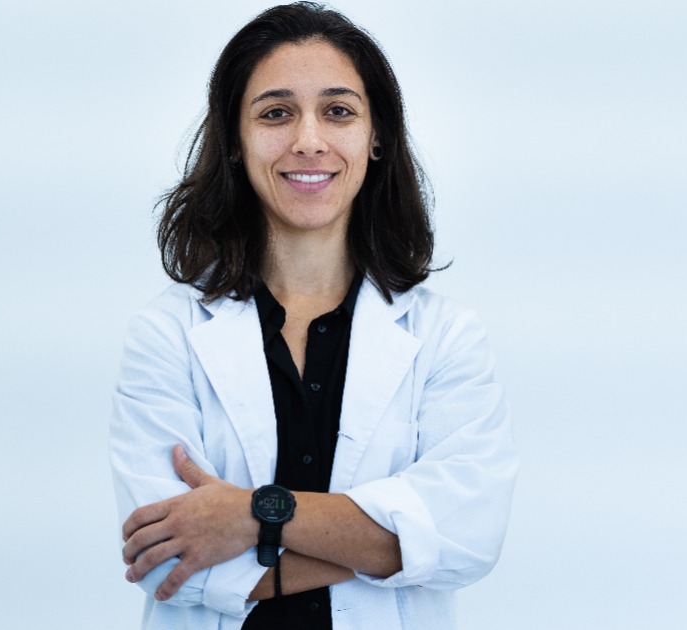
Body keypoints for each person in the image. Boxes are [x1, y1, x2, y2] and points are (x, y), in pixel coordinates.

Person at [109, 3, 517, 628]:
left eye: (338, 112)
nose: (308, 140)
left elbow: (468, 537)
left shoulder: (446, 337)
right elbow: (168, 563)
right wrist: (397, 542)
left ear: (376, 137)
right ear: (236, 142)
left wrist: (252, 514)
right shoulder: (167, 335)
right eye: (275, 113)